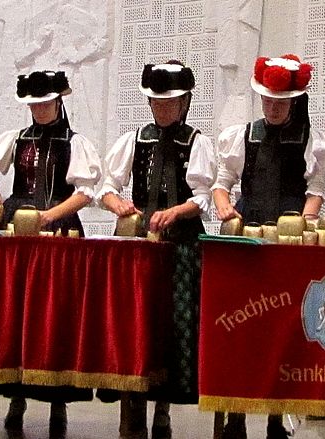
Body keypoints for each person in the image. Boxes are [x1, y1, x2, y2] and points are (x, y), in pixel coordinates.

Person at [0, 70, 102, 437]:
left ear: (59, 101)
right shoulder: (17, 139)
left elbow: (85, 193)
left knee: (57, 314)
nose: (39, 109)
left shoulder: (75, 142)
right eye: (34, 104)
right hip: (18, 228)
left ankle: (59, 404)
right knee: (17, 310)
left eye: (45, 103)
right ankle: (16, 396)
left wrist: (49, 216)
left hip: (59, 228)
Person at [212, 54, 325, 439]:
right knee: (243, 331)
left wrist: (303, 228)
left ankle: (277, 418)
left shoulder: (312, 141)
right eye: (267, 100)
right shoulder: (241, 136)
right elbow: (221, 183)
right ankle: (236, 416)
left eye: (280, 102)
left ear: (294, 101)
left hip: (287, 247)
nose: (273, 107)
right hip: (247, 244)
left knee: (281, 334)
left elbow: (314, 194)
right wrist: (224, 207)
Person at [99, 61, 216, 439]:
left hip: (180, 245)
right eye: (155, 103)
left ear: (185, 103)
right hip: (138, 249)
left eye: (169, 103)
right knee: (133, 324)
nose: (161, 109)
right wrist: (117, 204)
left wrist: (175, 212)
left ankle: (163, 408)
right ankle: (130, 405)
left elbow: (202, 197)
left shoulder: (197, 142)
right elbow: (107, 184)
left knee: (173, 323)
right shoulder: (135, 140)